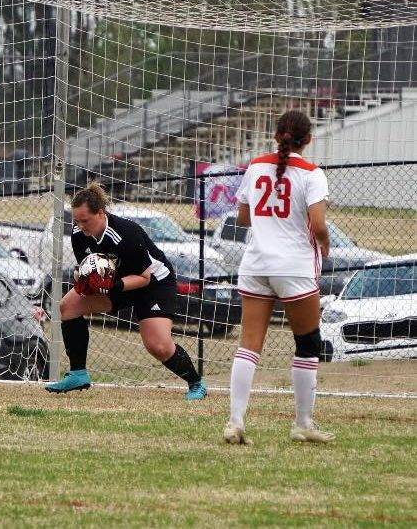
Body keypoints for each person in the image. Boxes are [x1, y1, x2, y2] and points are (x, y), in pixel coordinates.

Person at [223, 110, 334, 444]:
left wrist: (268, 220)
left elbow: (243, 216)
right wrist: (325, 242)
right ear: (308, 139)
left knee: (249, 345)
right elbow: (317, 224)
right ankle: (302, 423)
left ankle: (235, 421)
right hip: (293, 267)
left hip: (256, 263)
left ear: (275, 137)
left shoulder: (255, 166)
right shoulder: (312, 174)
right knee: (307, 343)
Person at [45, 183, 207, 400]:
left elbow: (144, 278)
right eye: (76, 220)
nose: (80, 225)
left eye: (85, 220)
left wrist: (113, 286)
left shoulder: (126, 233)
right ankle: (78, 373)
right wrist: (84, 278)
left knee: (158, 346)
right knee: (68, 306)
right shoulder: (79, 235)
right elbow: (90, 267)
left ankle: (196, 384)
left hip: (153, 285)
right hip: (119, 283)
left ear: (101, 213)